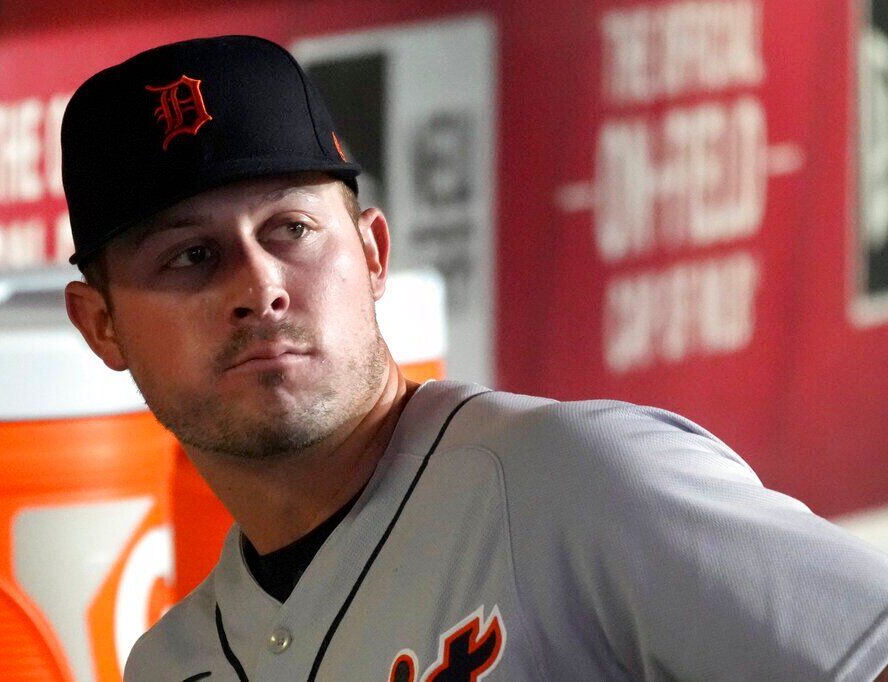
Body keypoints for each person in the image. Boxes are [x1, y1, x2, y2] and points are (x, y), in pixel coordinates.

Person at [62, 36, 888, 681]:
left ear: (374, 252)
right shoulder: (175, 664)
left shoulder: (573, 484)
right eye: (189, 258)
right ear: (102, 326)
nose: (261, 287)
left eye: (291, 230)